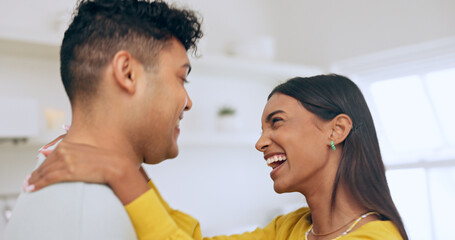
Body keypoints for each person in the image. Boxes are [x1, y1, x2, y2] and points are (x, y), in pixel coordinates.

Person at [23, 74, 408, 240]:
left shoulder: (376, 237)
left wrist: (124, 173)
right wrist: (127, 166)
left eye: (276, 122)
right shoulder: (292, 230)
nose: (261, 142)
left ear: (336, 130)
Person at [4, 0, 203, 239]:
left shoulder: (64, 174)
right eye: (182, 78)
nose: (188, 102)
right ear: (128, 74)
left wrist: (126, 172)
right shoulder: (92, 213)